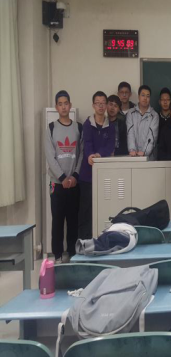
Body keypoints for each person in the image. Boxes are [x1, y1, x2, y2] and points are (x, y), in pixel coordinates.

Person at [45, 90, 83, 262]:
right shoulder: (51, 128)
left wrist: (74, 176)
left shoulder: (78, 128)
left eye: (66, 103)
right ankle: (58, 255)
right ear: (56, 107)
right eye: (60, 104)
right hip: (57, 184)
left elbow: (81, 154)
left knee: (73, 220)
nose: (63, 107)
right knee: (58, 221)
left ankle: (73, 254)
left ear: (70, 105)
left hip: (74, 183)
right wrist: (62, 178)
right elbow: (50, 156)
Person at [79, 91, 116, 239]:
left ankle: (100, 241)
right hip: (87, 176)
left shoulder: (111, 126)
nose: (100, 106)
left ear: (106, 105)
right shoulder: (87, 124)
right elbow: (87, 144)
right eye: (97, 103)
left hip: (104, 176)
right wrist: (90, 155)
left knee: (103, 210)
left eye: (103, 103)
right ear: (93, 105)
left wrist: (99, 155)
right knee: (86, 211)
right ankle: (84, 243)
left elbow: (110, 146)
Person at [126, 85, 159, 160]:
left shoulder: (154, 115)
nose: (145, 98)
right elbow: (130, 133)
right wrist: (132, 150)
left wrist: (144, 152)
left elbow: (152, 136)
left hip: (149, 158)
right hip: (133, 156)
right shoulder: (131, 113)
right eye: (143, 95)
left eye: (148, 96)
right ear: (138, 96)